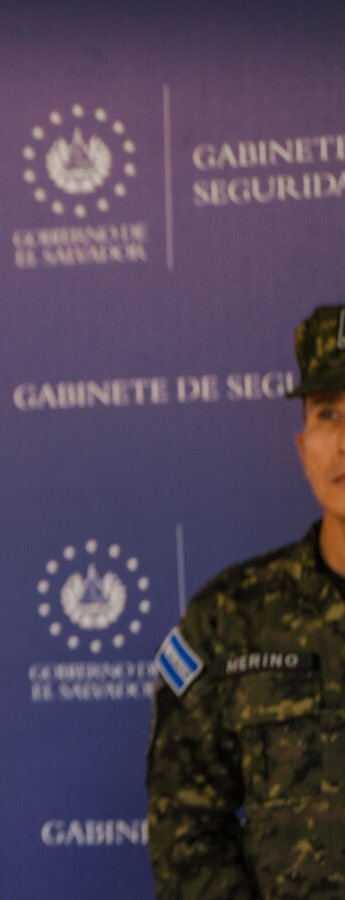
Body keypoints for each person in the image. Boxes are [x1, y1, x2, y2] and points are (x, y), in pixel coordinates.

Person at [148, 306, 345, 898]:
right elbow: (186, 830)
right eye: (328, 413)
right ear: (303, 447)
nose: (344, 442)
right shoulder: (230, 618)